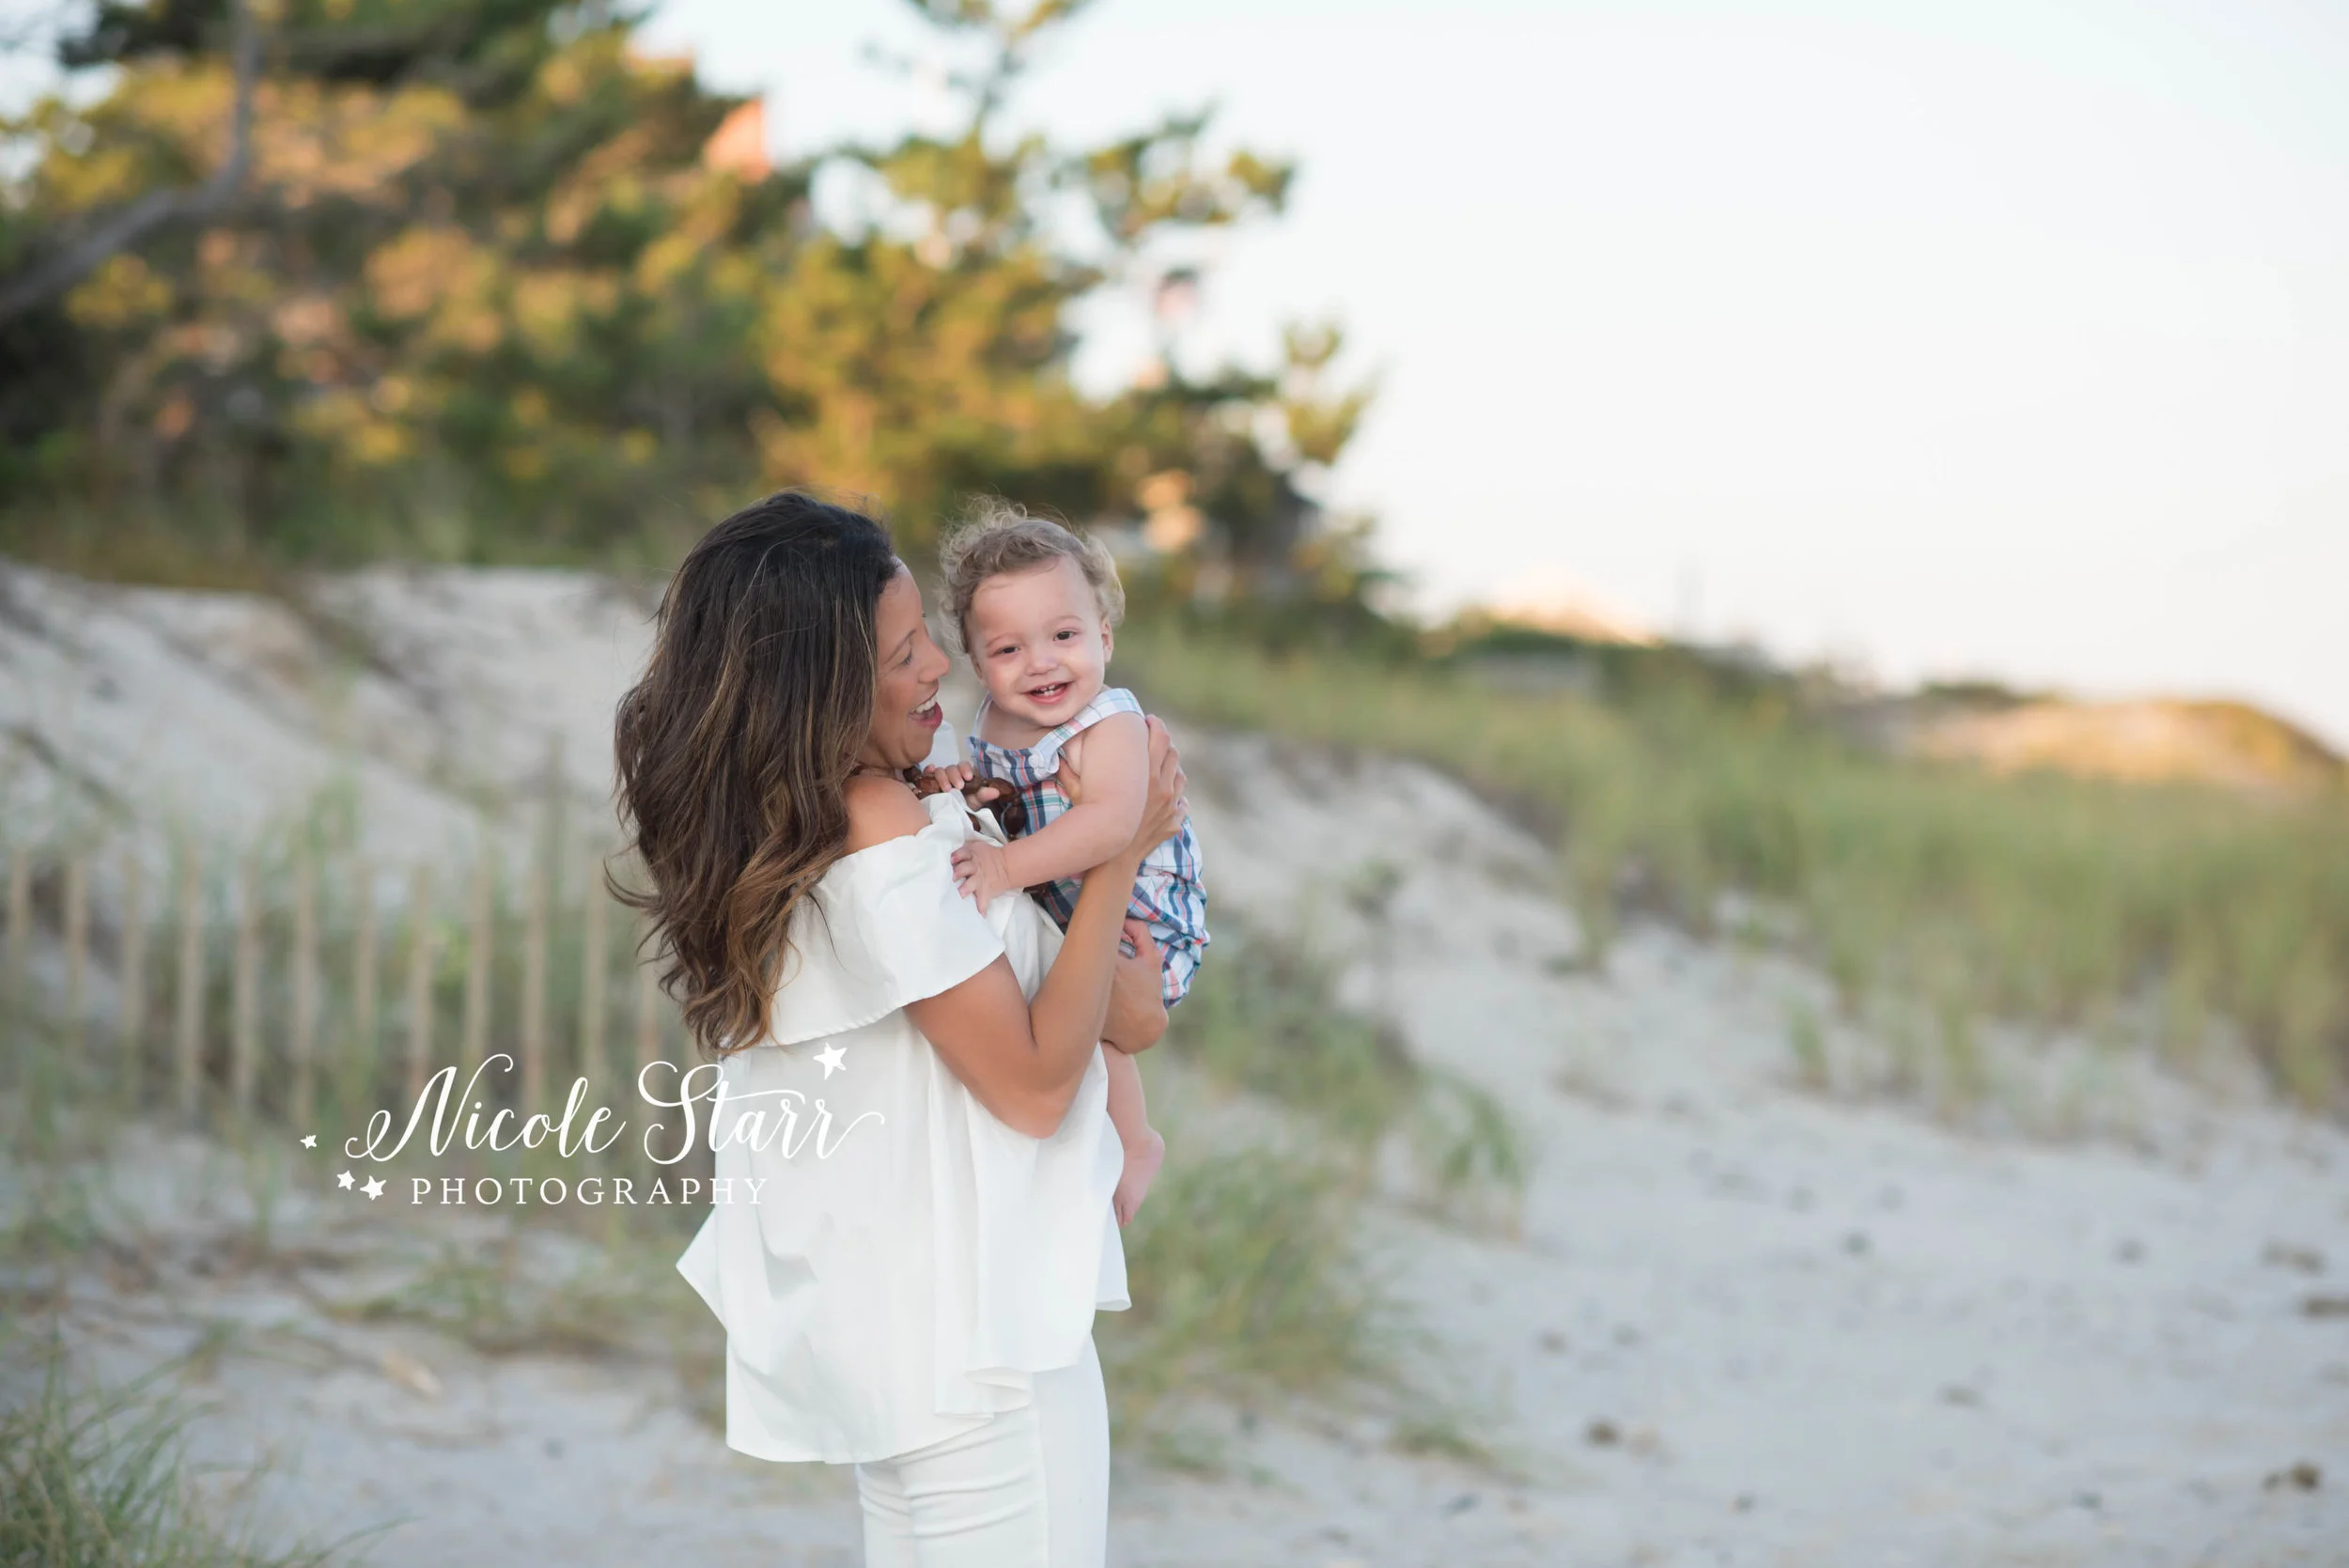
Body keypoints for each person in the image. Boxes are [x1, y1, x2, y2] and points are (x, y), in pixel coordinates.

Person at [614, 490, 1186, 1567]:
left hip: (902, 1345)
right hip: (985, 1353)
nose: (939, 668)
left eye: (929, 636)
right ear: (820, 687)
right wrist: (1118, 849)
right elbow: (1027, 1087)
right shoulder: (878, 825)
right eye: (904, 651)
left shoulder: (797, 829)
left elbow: (1103, 1010)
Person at [923, 502, 1208, 1228]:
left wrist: (1005, 867)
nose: (1042, 661)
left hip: (1141, 910)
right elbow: (998, 791)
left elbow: (1113, 823)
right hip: (1069, 901)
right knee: (1071, 1018)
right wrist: (961, 782)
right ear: (978, 659)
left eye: (1064, 635)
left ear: (1104, 637)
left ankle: (1137, 1140)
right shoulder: (987, 719)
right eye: (1010, 649)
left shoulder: (1107, 721)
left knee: (1101, 1026)